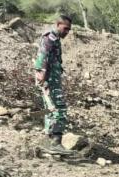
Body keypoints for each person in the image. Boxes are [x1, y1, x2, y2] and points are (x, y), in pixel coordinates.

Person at [34, 14, 73, 155]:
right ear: (58, 25)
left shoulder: (55, 39)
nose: (67, 32)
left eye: (69, 30)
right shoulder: (50, 37)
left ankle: (48, 144)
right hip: (49, 80)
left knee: (50, 110)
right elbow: (42, 55)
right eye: (65, 28)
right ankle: (55, 143)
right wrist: (41, 74)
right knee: (59, 109)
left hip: (52, 79)